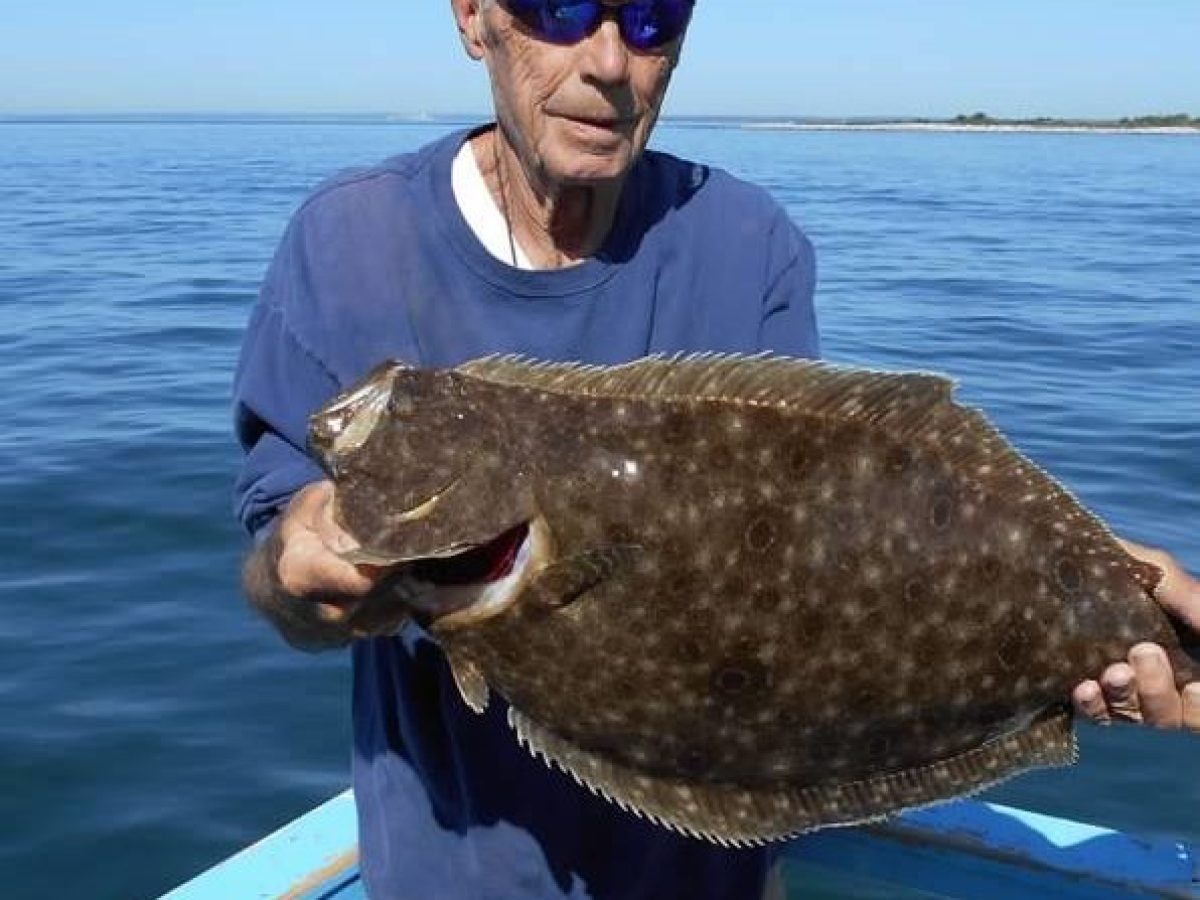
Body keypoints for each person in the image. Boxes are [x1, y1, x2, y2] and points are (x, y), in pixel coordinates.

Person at [233, 1, 1200, 898]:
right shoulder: (348, 241)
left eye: (654, 16)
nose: (609, 60)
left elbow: (823, 547)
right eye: (561, 7)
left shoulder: (749, 241)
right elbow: (283, 591)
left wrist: (1100, 600)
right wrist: (299, 565)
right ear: (473, 14)